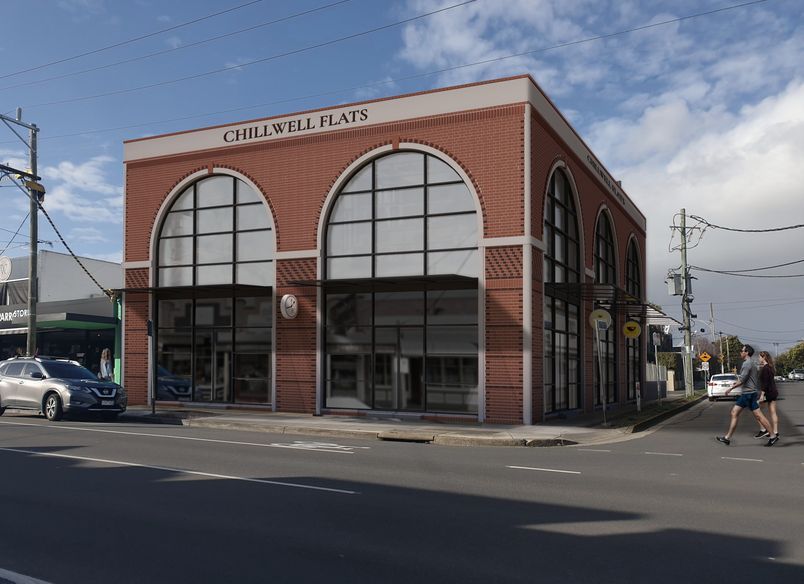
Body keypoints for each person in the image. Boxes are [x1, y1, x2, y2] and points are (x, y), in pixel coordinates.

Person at [715, 344, 775, 446]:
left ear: (747, 352)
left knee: (739, 413)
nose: (740, 352)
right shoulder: (753, 363)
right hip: (750, 393)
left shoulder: (747, 364)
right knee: (749, 414)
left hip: (748, 394)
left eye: (742, 350)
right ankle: (727, 438)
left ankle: (772, 435)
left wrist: (730, 388)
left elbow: (742, 380)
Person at [754, 350, 780, 446]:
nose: (758, 359)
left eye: (760, 357)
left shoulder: (765, 369)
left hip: (768, 393)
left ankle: (764, 429)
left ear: (764, 357)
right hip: (773, 392)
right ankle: (775, 432)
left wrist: (762, 395)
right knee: (773, 412)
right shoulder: (770, 367)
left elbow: (765, 384)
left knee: (756, 409)